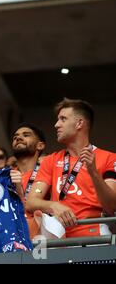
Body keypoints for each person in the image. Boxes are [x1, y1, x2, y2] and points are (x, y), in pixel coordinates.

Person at [27, 98, 116, 237]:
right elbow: (31, 202)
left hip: (95, 234)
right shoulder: (51, 160)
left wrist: (93, 172)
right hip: (58, 236)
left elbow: (111, 206)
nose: (56, 125)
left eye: (63, 119)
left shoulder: (109, 158)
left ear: (79, 123)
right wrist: (53, 206)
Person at [10, 123, 47, 238]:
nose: (18, 138)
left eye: (26, 135)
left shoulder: (49, 171)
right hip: (14, 239)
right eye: (15, 137)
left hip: (45, 240)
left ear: (40, 146)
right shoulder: (6, 177)